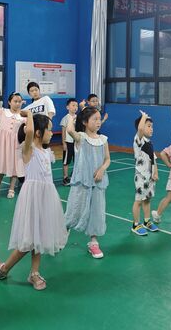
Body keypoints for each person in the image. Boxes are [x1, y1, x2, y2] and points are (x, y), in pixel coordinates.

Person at [0, 112, 68, 290]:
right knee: (29, 240)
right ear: (38, 133)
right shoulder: (28, 149)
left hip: (46, 197)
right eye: (49, 130)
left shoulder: (46, 151)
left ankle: (33, 273)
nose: (52, 133)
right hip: (33, 197)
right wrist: (30, 115)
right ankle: (4, 268)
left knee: (38, 236)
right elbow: (30, 131)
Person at [64, 107, 111, 258]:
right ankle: (64, 229)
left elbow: (107, 159)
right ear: (85, 122)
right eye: (95, 119)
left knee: (97, 210)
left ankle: (93, 242)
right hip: (82, 182)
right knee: (75, 209)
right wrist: (72, 117)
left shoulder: (103, 140)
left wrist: (102, 169)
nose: (98, 122)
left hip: (98, 182)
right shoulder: (81, 138)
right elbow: (70, 130)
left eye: (99, 119)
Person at [0, 90, 26, 198]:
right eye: (15, 101)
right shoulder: (3, 112)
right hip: (3, 145)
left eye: (19, 102)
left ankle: (11, 189)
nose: (17, 103)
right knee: (1, 165)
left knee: (15, 166)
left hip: (16, 145)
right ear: (9, 102)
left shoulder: (24, 117)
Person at [131, 111, 159, 236]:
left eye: (152, 126)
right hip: (141, 177)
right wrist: (144, 117)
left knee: (147, 199)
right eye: (148, 126)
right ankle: (135, 225)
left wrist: (155, 172)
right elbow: (140, 129)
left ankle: (147, 221)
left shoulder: (149, 143)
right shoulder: (139, 141)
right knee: (138, 201)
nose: (151, 128)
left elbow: (154, 159)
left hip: (150, 178)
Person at [59, 98, 78, 186]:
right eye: (73, 105)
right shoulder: (65, 118)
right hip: (68, 142)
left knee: (77, 160)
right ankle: (65, 177)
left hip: (77, 143)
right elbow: (63, 132)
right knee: (66, 161)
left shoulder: (78, 118)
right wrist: (64, 143)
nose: (75, 107)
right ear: (67, 107)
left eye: (76, 106)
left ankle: (75, 175)